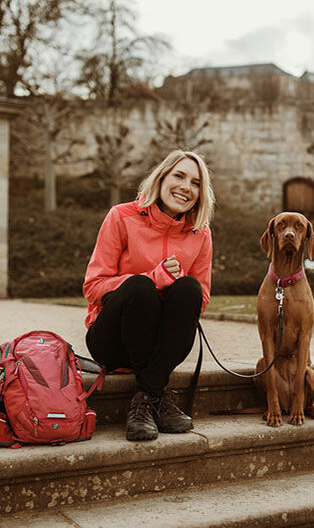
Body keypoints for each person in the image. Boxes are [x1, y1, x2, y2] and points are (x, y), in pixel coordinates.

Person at [83, 149, 215, 441]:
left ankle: (146, 397)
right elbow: (93, 286)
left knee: (189, 288)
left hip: (161, 347)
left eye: (195, 183)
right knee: (141, 288)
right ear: (162, 177)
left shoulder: (200, 233)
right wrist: (153, 279)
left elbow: (201, 299)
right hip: (111, 341)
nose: (186, 187)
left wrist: (172, 287)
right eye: (179, 176)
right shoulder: (121, 216)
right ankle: (156, 395)